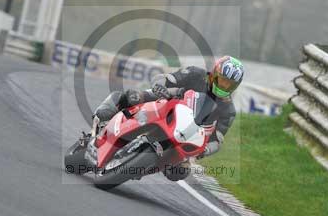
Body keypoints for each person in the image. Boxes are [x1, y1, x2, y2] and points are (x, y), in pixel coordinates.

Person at [93, 56, 244, 179]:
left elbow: (217, 140)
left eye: (229, 84)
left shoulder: (228, 110)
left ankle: (137, 167)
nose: (224, 86)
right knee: (132, 97)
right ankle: (101, 124)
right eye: (222, 80)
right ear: (214, 74)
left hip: (187, 135)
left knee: (180, 172)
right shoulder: (196, 74)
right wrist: (160, 85)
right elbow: (169, 78)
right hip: (168, 102)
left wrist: (205, 150)